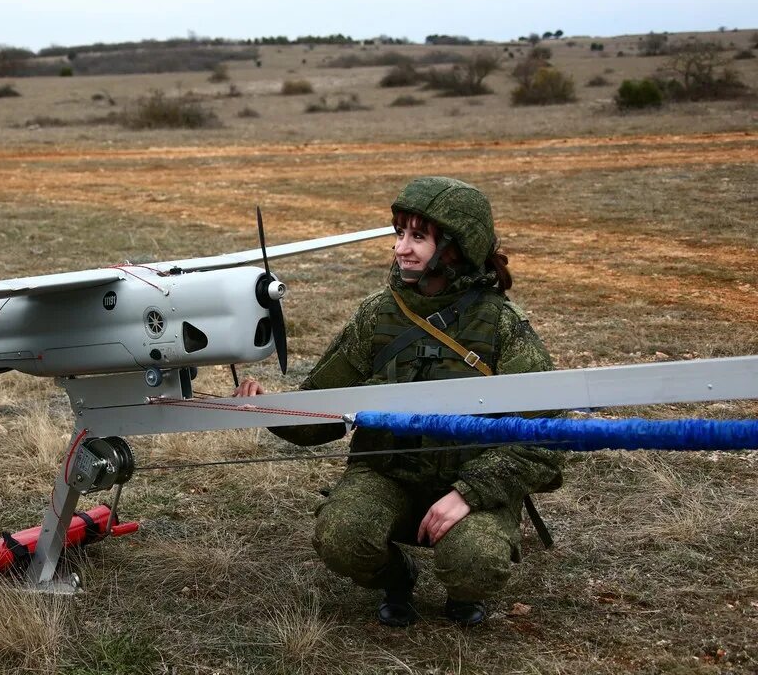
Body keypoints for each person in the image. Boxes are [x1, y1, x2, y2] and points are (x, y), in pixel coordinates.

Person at [236, 176, 563, 627]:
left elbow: (545, 434)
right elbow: (321, 414)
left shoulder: (502, 326)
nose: (401, 248)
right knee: (342, 536)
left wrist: (469, 493)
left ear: (455, 248)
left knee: (475, 561)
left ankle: (464, 589)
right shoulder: (376, 315)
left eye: (418, 237)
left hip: (472, 479)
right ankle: (397, 579)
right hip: (386, 473)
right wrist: (270, 407)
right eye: (399, 234)